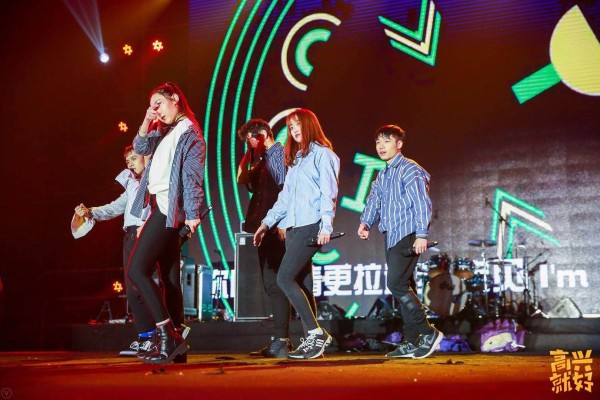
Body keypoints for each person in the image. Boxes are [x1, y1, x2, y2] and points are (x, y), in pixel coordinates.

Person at [128, 82, 206, 364]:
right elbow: (139, 146)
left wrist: (193, 213)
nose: (156, 111)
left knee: (136, 270)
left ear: (174, 98)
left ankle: (167, 335)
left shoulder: (190, 134)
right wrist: (146, 120)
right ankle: (177, 347)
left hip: (169, 209)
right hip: (158, 206)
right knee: (170, 280)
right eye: (152, 107)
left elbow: (192, 177)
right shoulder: (164, 131)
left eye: (158, 104)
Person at [254, 109, 340, 359]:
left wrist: (326, 226)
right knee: (302, 283)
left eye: (297, 125)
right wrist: (266, 224)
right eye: (290, 127)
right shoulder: (297, 159)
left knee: (284, 279)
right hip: (293, 227)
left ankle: (316, 333)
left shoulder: (323, 155)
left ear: (309, 125)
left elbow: (328, 193)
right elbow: (285, 197)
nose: (293, 131)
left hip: (311, 225)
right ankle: (313, 340)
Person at [358, 124, 442, 359]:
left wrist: (421, 234)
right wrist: (365, 223)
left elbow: (421, 202)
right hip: (392, 235)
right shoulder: (383, 174)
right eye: (378, 142)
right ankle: (412, 341)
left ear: (399, 144)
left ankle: (428, 333)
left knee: (396, 284)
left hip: (408, 233)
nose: (381, 146)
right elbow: (374, 200)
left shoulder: (409, 169)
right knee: (404, 285)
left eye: (387, 141)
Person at [74, 146, 162, 357]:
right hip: (130, 236)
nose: (129, 163)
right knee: (132, 290)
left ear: (146, 157)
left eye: (134, 158)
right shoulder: (131, 185)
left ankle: (161, 335)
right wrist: (89, 211)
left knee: (145, 285)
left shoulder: (156, 181)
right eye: (127, 160)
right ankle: (146, 336)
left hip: (147, 235)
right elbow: (114, 207)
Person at [236, 118, 291, 358]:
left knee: (277, 283)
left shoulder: (277, 154)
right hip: (263, 228)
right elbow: (241, 178)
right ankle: (280, 340)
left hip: (275, 228)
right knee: (271, 284)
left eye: (249, 139)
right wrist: (250, 152)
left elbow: (286, 188)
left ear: (262, 134)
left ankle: (282, 340)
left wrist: (283, 223)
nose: (248, 144)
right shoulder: (261, 160)